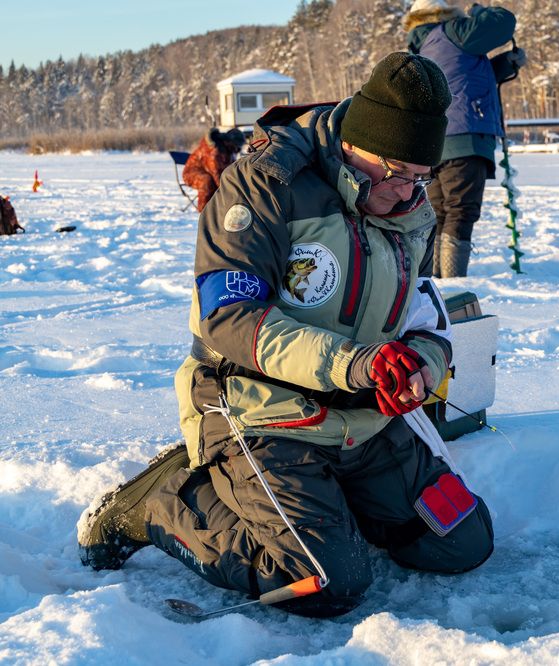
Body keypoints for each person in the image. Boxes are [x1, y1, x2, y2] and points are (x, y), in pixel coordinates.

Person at [78, 52, 494, 618]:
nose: (409, 195)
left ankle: (324, 507)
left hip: (364, 414)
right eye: (397, 174)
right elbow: (231, 319)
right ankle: (163, 500)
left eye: (422, 178)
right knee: (325, 581)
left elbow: (423, 312)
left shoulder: (408, 203)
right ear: (358, 145)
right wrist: (357, 363)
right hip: (260, 406)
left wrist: (417, 361)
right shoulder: (264, 187)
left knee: (461, 540)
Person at [405, 0, 525, 277]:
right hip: (464, 137)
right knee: (461, 209)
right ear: (445, 14)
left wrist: (505, 64)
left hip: (432, 143)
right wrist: (480, 12)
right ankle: (453, 278)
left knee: (440, 211)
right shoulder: (454, 32)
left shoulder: (421, 47)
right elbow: (503, 22)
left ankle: (437, 278)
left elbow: (459, 76)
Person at [182, 127, 246, 212]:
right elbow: (217, 175)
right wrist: (230, 191)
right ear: (230, 142)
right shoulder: (214, 151)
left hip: (210, 173)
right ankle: (204, 212)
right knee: (207, 181)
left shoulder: (229, 150)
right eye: (236, 146)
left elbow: (231, 171)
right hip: (191, 174)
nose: (237, 150)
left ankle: (219, 209)